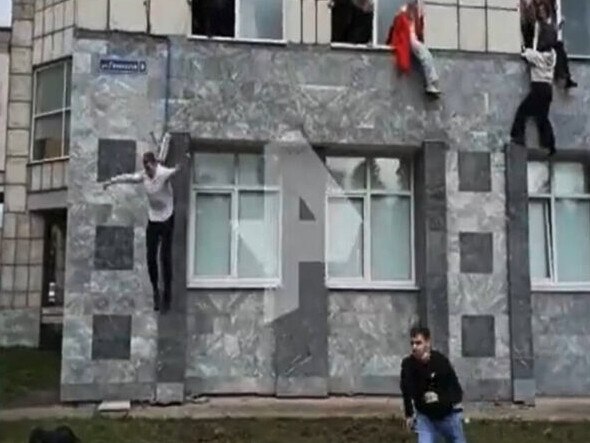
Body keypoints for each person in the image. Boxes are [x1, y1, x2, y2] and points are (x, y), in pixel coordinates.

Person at [103, 133, 188, 313]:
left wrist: (180, 166)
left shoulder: (163, 173)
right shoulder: (143, 176)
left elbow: (174, 170)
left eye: (150, 169)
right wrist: (111, 182)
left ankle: (167, 297)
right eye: (146, 170)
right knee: (151, 257)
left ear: (155, 165)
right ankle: (156, 291)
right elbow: (127, 177)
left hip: (167, 217)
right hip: (154, 218)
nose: (149, 173)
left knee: (165, 257)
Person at [400, 326, 466, 443]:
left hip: (448, 415)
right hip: (426, 417)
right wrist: (409, 414)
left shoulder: (440, 361)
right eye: (412, 343)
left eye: (418, 343)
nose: (414, 347)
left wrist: (440, 398)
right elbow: (407, 391)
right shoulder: (408, 365)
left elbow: (455, 390)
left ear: (427, 343)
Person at [510, 8, 557, 155]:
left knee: (522, 112)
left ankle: (518, 137)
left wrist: (523, 47)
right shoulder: (552, 56)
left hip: (538, 88)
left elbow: (526, 53)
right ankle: (549, 144)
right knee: (542, 117)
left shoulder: (537, 56)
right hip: (548, 89)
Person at [387, 0, 441, 97]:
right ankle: (431, 82)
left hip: (411, 39)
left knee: (426, 55)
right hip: (408, 40)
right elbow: (398, 31)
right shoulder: (403, 13)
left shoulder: (413, 14)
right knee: (425, 54)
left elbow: (418, 31)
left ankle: (432, 82)